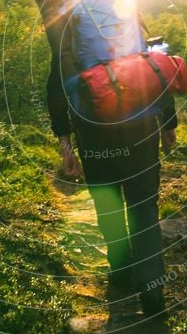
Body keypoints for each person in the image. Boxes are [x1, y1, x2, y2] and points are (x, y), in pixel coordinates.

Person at [46, 34, 177, 317]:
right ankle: (152, 290)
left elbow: (56, 95)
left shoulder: (68, 40)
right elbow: (153, 71)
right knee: (143, 206)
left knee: (109, 205)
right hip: (141, 132)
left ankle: (120, 273)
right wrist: (168, 124)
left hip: (94, 139)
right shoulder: (127, 23)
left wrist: (66, 149)